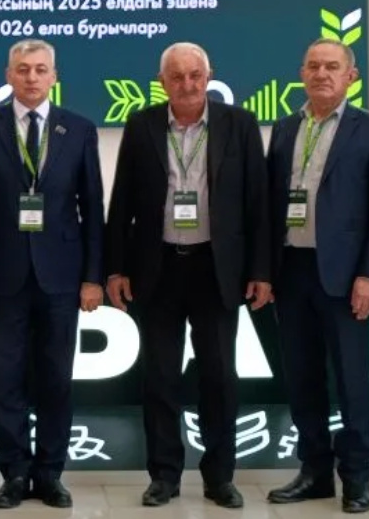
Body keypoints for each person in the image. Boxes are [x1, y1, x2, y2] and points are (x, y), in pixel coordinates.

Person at [105, 42, 270, 511]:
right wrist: (115, 267)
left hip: (216, 269)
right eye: (177, 76)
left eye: (195, 75)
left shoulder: (238, 124)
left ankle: (220, 477)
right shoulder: (142, 125)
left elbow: (257, 202)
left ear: (209, 76)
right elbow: (122, 201)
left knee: (219, 377)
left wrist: (261, 270)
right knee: (160, 377)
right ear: (163, 83)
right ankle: (164, 476)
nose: (187, 84)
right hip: (157, 268)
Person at [0, 40, 105, 510]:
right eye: (23, 69)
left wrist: (93, 277)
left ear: (54, 77)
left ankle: (51, 473)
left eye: (41, 69)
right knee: (7, 379)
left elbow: (92, 208)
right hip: (2, 277)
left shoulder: (78, 129)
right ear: (8, 75)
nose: (32, 77)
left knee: (57, 379)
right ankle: (15, 474)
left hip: (62, 277)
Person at [263, 38, 369, 514]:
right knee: (303, 378)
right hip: (291, 270)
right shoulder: (285, 128)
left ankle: (356, 478)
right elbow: (271, 204)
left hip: (346, 274)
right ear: (301, 73)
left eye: (332, 66)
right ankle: (314, 471)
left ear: (350, 76)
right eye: (313, 66)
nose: (321, 74)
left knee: (352, 381)